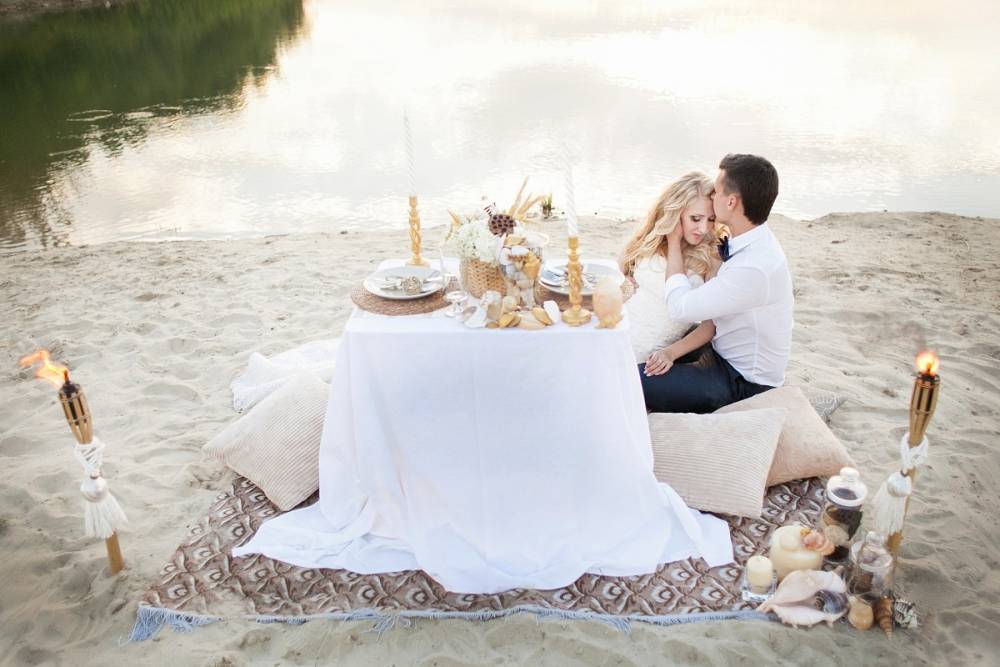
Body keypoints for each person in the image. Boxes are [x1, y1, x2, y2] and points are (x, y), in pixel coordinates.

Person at [640, 153, 793, 413]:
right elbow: (713, 322)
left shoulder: (753, 268)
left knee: (632, 381)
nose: (712, 196)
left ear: (731, 202)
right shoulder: (752, 241)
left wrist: (674, 243)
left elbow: (679, 307)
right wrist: (671, 352)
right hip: (718, 348)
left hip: (743, 382)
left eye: (717, 191)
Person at [619, 172, 722, 367]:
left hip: (649, 355)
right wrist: (624, 284)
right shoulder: (650, 239)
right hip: (617, 329)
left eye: (711, 219)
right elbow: (620, 274)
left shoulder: (712, 256)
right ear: (675, 213)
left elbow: (711, 325)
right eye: (695, 218)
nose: (703, 228)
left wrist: (670, 353)